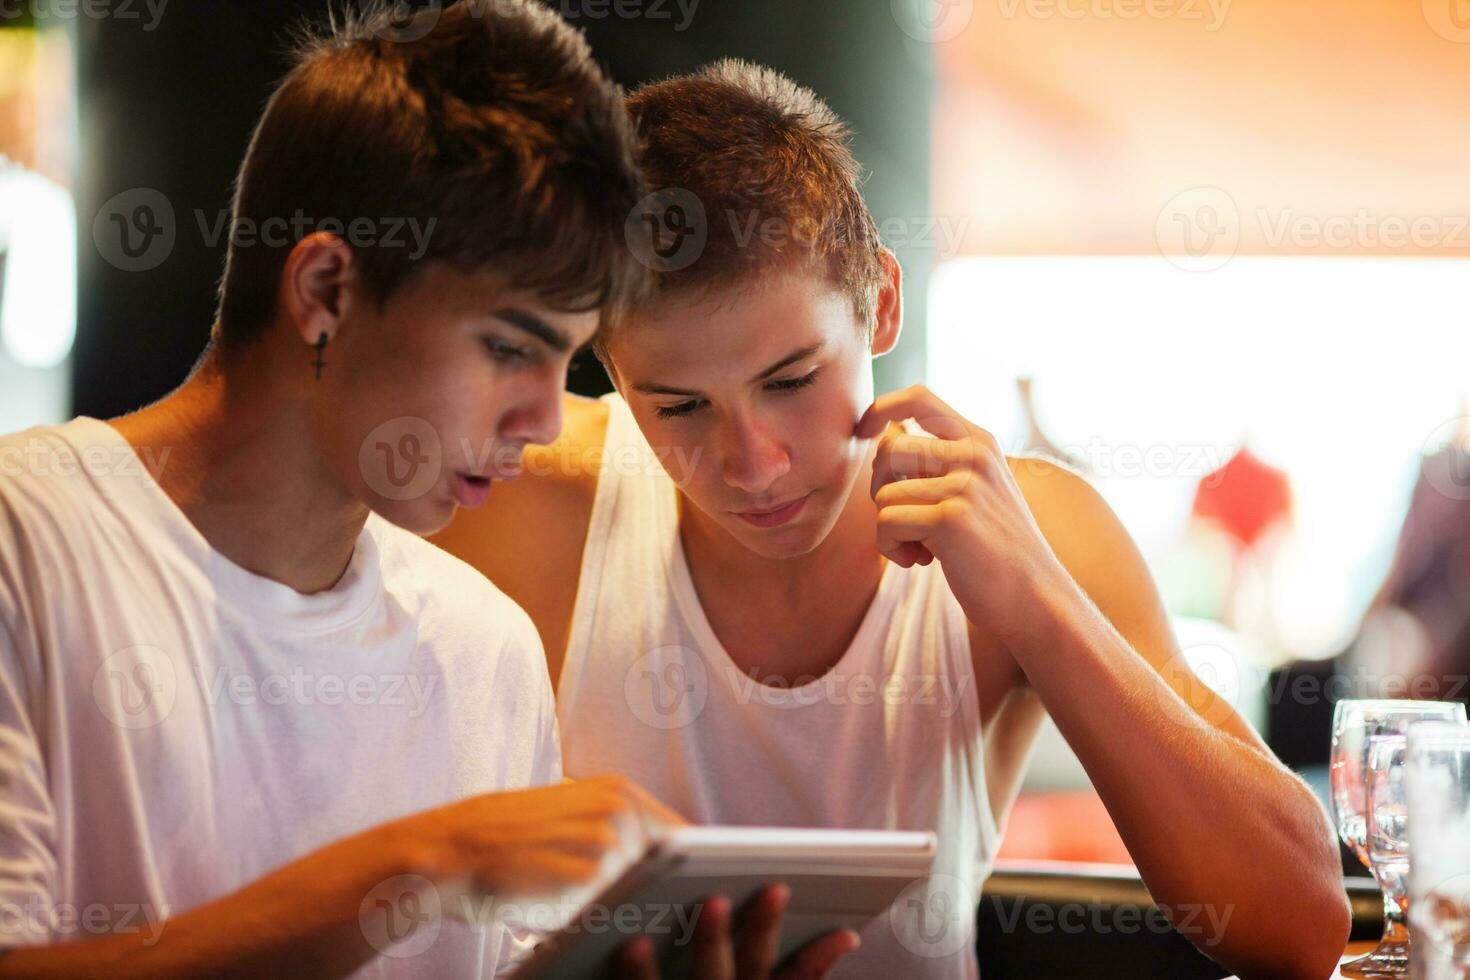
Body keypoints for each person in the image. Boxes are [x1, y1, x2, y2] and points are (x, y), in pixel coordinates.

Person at [432, 60, 1352, 978]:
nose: (753, 465)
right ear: (611, 369)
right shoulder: (524, 506)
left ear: (880, 303)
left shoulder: (1035, 527)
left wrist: (1038, 603)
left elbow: (1302, 924)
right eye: (677, 407)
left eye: (791, 381)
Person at [0, 8, 853, 978]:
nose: (543, 420)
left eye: (568, 361)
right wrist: (429, 860)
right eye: (507, 348)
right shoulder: (27, 539)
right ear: (325, 288)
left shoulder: (482, 644)